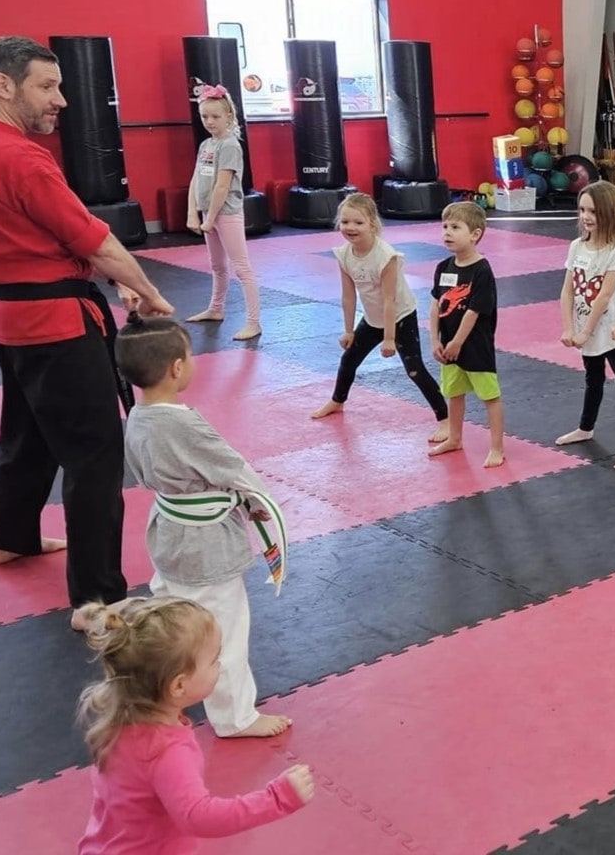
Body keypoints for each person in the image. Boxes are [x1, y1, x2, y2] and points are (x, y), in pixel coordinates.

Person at [0, 36, 172, 622]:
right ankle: (99, 599)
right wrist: (148, 290)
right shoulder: (21, 157)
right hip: (56, 323)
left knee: (29, 429)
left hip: (7, 316)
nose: (61, 99)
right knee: (95, 458)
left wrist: (100, 271)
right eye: (47, 85)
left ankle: (9, 538)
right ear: (4, 85)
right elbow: (95, 238)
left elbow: (27, 234)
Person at [115, 315, 290, 739]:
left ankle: (158, 695)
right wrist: (258, 502)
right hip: (205, 544)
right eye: (189, 356)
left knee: (172, 626)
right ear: (177, 368)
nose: (192, 363)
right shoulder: (183, 423)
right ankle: (236, 718)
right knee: (221, 633)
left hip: (170, 535)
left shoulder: (137, 416)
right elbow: (232, 468)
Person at [74, 597, 313, 853]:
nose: (219, 666)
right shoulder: (166, 750)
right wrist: (277, 799)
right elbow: (199, 817)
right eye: (213, 661)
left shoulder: (119, 720)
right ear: (178, 685)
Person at [311, 193, 448, 439]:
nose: (350, 228)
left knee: (414, 370)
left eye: (358, 222)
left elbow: (389, 300)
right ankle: (337, 400)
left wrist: (389, 338)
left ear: (373, 224)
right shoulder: (344, 254)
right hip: (372, 318)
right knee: (348, 360)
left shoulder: (386, 256)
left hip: (399, 317)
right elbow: (349, 296)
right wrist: (349, 330)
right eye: (345, 222)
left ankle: (445, 419)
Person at [555, 181, 615, 471]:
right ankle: (585, 427)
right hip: (585, 327)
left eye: (592, 211)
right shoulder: (577, 246)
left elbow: (605, 296)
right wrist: (569, 328)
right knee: (592, 379)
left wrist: (585, 331)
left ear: (608, 212)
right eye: (582, 209)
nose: (585, 216)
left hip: (612, 330)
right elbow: (567, 291)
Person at [428, 202, 506, 468]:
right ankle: (455, 437)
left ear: (475, 234)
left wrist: (457, 342)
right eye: (445, 227)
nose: (447, 233)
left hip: (474, 345)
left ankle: (497, 447)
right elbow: (436, 304)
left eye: (455, 227)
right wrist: (435, 339)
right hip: (448, 345)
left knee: (489, 396)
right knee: (454, 393)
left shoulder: (481, 270)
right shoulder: (443, 267)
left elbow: (474, 311)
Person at [183, 86, 260, 341]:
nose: (210, 122)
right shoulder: (206, 144)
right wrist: (192, 212)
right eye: (205, 116)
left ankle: (253, 322)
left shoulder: (230, 146)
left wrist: (211, 218)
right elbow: (196, 178)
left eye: (215, 116)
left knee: (242, 267)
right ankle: (216, 308)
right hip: (208, 213)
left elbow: (222, 186)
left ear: (229, 116)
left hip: (226, 213)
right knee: (217, 266)